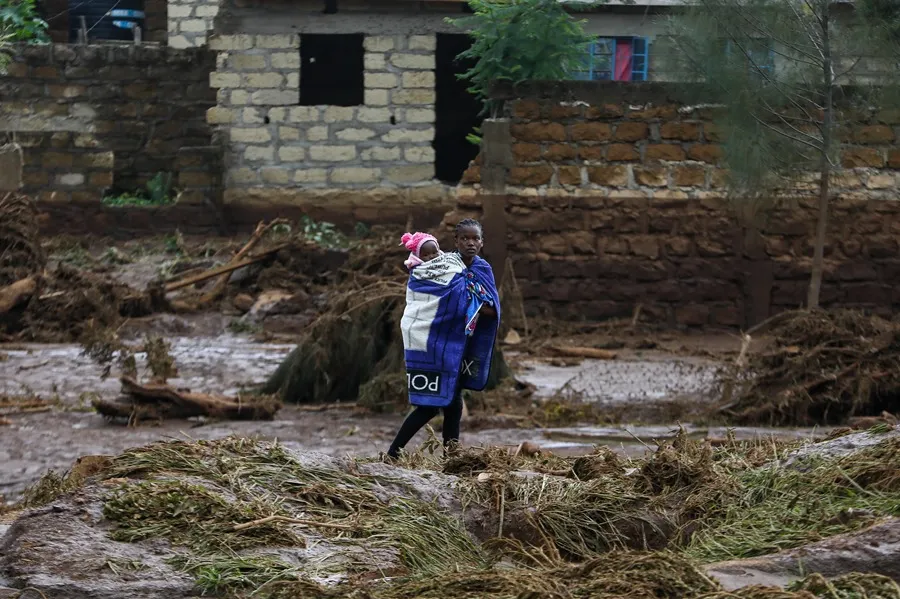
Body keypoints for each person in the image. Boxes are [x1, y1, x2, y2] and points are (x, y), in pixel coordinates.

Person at [386, 219, 500, 460]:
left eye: (475, 238)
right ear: (456, 242)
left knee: (454, 402)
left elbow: (492, 310)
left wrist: (468, 304)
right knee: (430, 405)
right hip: (435, 340)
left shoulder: (482, 270)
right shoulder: (440, 265)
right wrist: (466, 303)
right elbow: (423, 296)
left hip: (461, 344)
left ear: (482, 242)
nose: (470, 243)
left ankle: (451, 458)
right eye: (465, 239)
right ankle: (392, 454)